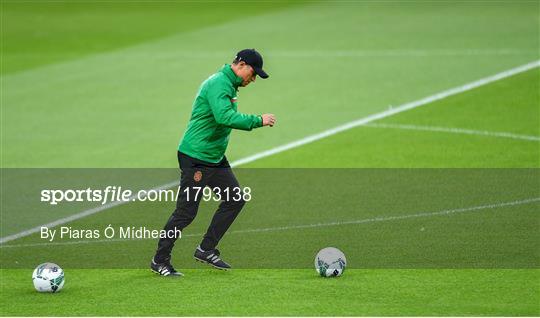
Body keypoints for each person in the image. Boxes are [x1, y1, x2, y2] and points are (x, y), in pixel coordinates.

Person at [151, 49, 276, 276]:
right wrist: (258, 120)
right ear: (241, 65)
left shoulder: (229, 84)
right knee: (185, 213)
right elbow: (224, 117)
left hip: (213, 157)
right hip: (197, 157)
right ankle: (159, 260)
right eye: (253, 72)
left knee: (234, 199)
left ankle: (206, 249)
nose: (253, 78)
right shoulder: (219, 84)